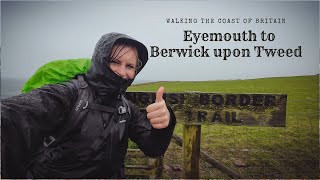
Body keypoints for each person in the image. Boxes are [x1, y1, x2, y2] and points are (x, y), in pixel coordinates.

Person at [1, 32, 176, 178]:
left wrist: (164, 125)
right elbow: (12, 116)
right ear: (100, 61)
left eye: (130, 66)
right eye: (114, 62)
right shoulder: (69, 94)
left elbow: (153, 148)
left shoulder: (126, 108)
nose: (122, 72)